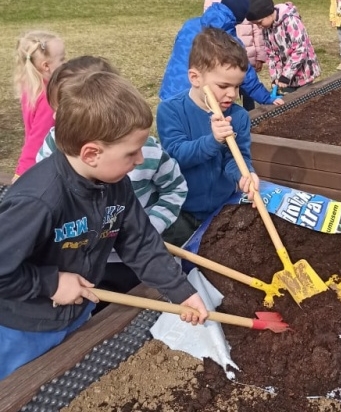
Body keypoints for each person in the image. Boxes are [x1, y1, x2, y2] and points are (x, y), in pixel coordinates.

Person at [0, 71, 208, 380]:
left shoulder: (115, 184)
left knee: (64, 381)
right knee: (21, 390)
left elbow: (140, 243)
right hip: (25, 326)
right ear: (92, 153)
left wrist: (181, 291)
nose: (140, 160)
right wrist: (50, 283)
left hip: (77, 311)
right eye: (131, 152)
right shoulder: (39, 200)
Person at [34, 56, 190, 313]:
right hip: (79, 261)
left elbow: (174, 187)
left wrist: (148, 226)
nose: (60, 119)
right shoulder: (52, 155)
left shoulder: (143, 153)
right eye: (60, 111)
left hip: (130, 259)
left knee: (130, 312)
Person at [157, 27, 259, 235]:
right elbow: (176, 156)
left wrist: (244, 175)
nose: (232, 94)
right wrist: (213, 140)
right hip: (181, 211)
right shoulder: (171, 110)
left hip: (221, 210)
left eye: (237, 86)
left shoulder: (238, 117)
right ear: (195, 78)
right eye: (223, 86)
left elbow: (236, 157)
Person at [159, 0, 283, 107]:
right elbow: (246, 74)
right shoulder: (227, 40)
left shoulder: (189, 24)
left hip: (170, 93)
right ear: (238, 18)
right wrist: (266, 98)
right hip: (200, 99)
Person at [12, 30, 66, 182]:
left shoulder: (32, 86)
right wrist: (22, 173)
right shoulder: (49, 97)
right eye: (62, 59)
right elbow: (38, 138)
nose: (66, 63)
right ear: (46, 65)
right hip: (43, 166)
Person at [247, 0, 321, 93]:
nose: (259, 27)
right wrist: (276, 77)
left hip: (303, 73)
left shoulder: (291, 21)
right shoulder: (266, 28)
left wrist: (286, 75)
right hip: (286, 77)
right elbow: (272, 55)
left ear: (268, 13)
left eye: (259, 22)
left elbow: (300, 49)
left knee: (304, 101)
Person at [236, 19, 267, 111]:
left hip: (248, 56)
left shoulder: (247, 7)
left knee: (248, 92)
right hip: (226, 58)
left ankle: (251, 117)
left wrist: (260, 56)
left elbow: (257, 31)